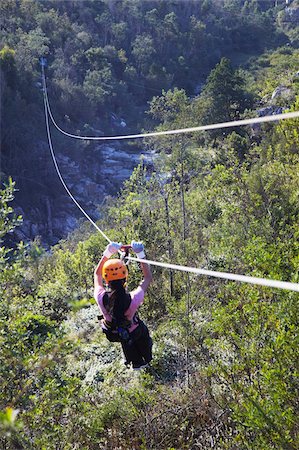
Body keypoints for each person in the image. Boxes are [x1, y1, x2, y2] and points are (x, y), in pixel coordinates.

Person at [94, 240, 153, 370]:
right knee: (140, 332)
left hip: (112, 333)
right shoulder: (133, 298)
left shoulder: (100, 297)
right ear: (125, 277)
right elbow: (147, 277)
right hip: (133, 331)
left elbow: (97, 274)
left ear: (106, 279)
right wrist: (140, 254)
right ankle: (143, 360)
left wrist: (108, 253)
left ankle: (131, 360)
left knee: (124, 336)